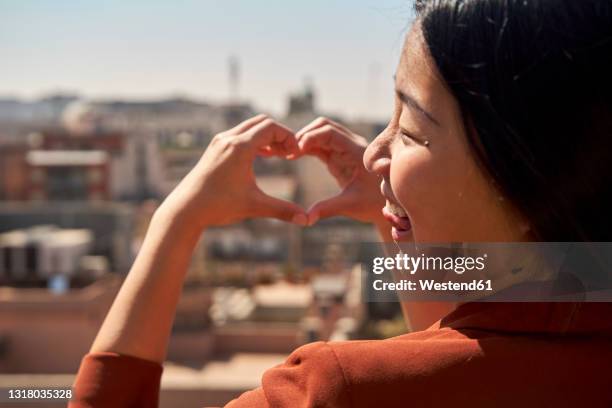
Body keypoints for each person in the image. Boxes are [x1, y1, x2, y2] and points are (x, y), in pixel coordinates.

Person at [69, 0, 612, 406]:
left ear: (526, 169)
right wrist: (396, 215)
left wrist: (175, 221)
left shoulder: (337, 390)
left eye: (411, 130)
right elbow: (450, 345)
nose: (375, 152)